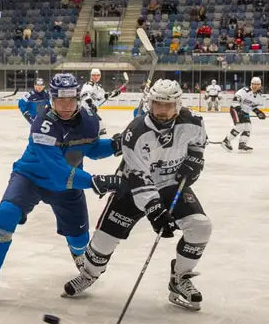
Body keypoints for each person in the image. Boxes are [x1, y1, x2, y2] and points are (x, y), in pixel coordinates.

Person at [0, 73, 125, 303]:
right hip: (31, 177)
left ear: (78, 98)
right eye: (61, 101)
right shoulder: (43, 124)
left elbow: (90, 148)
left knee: (79, 239)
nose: (67, 106)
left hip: (68, 184)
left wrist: (115, 145)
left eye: (71, 100)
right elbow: (58, 172)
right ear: (51, 99)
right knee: (6, 214)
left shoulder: (89, 119)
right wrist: (95, 182)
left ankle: (83, 262)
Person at [62, 80, 211, 311]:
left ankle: (180, 279)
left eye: (168, 105)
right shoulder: (136, 132)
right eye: (157, 104)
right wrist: (154, 210)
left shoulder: (193, 122)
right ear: (149, 103)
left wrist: (195, 160)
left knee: (201, 226)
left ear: (178, 104)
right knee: (103, 243)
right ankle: (90, 273)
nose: (161, 110)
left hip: (171, 184)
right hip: (132, 188)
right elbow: (139, 178)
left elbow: (198, 144)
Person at [222, 77, 265, 152]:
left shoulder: (259, 95)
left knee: (248, 127)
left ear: (260, 85)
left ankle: (242, 145)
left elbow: (253, 106)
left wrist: (259, 113)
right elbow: (235, 102)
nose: (255, 86)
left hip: (245, 111)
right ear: (251, 84)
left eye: (258, 84)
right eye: (254, 84)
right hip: (235, 109)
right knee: (240, 126)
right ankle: (226, 141)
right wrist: (239, 111)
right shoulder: (244, 91)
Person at [80, 68, 120, 135]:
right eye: (94, 75)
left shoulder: (98, 87)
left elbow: (103, 96)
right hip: (85, 110)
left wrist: (113, 94)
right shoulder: (89, 84)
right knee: (100, 126)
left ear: (100, 76)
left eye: (98, 75)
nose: (96, 77)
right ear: (91, 76)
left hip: (91, 110)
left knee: (100, 127)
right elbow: (85, 94)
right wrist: (90, 104)